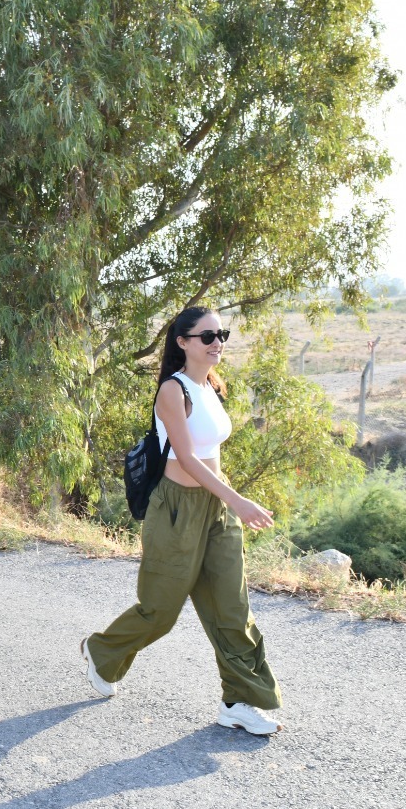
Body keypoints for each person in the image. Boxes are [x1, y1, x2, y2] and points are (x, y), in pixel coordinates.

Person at [80, 306, 283, 734]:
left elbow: (212, 454)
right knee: (161, 612)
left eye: (221, 335)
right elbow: (187, 458)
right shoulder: (173, 391)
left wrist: (227, 504)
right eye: (207, 336)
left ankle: (239, 701)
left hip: (215, 508)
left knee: (233, 607)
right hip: (175, 510)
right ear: (182, 342)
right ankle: (102, 653)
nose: (217, 343)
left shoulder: (210, 385)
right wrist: (239, 500)